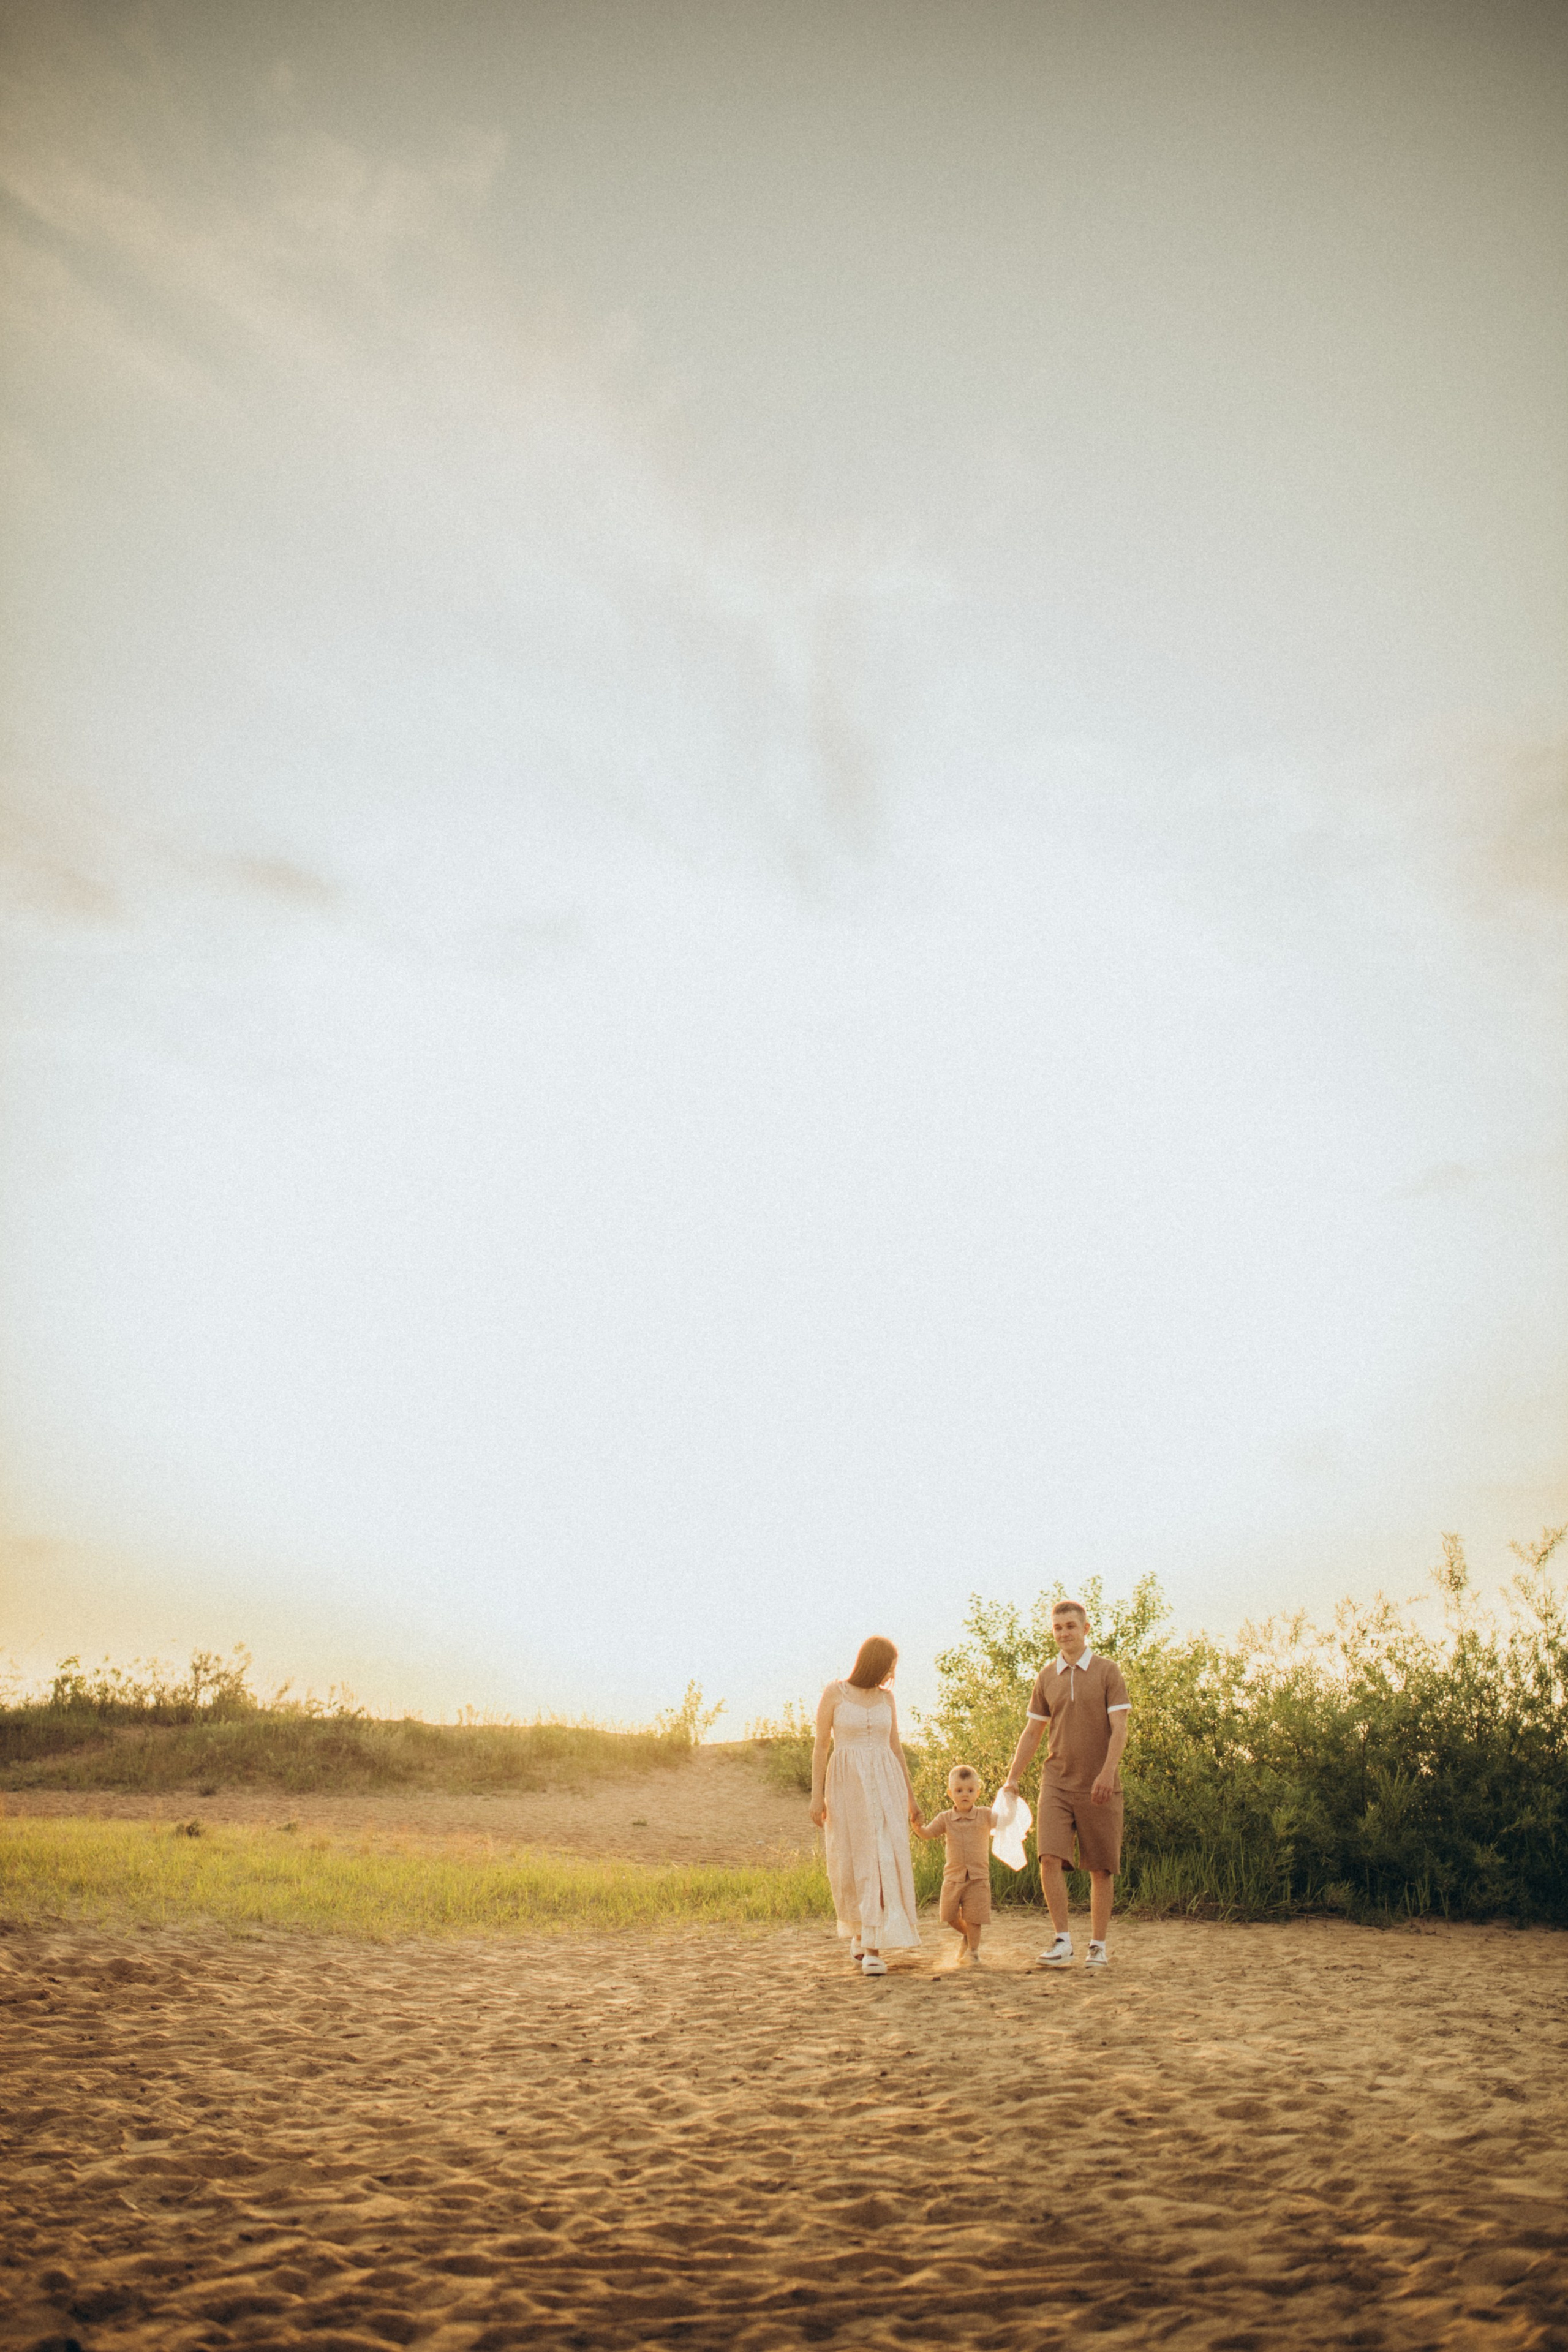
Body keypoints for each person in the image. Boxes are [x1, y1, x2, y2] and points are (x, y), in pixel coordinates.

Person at [1001, 1598, 1130, 1970]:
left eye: (1070, 1626)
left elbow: (1120, 1728)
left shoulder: (1108, 1672)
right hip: (1056, 1781)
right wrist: (1012, 1779)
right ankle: (1061, 1941)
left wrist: (1107, 1773)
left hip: (1099, 1784)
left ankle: (1098, 1946)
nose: (1064, 1634)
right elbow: (1033, 1731)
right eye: (1058, 1628)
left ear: (1086, 1629)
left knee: (1101, 1868)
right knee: (1048, 1857)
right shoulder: (1046, 1676)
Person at [809, 1636, 922, 1976]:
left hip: (886, 1782)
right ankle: (861, 1931)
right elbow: (819, 1747)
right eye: (890, 1665)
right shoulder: (835, 1693)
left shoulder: (887, 1699)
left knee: (883, 1855)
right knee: (853, 1858)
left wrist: (911, 1798)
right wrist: (817, 1796)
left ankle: (873, 1948)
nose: (892, 1672)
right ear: (874, 1662)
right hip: (847, 1785)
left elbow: (897, 1748)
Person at [913, 1765, 995, 1966]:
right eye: (959, 1790)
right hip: (953, 1877)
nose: (965, 1794)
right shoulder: (945, 1818)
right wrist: (917, 1827)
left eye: (970, 1790)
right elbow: (928, 1834)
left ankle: (973, 1952)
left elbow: (1007, 1823)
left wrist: (1012, 1805)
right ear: (951, 1793)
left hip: (978, 1877)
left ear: (978, 1792)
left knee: (975, 1917)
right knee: (949, 1915)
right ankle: (968, 1937)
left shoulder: (986, 1815)